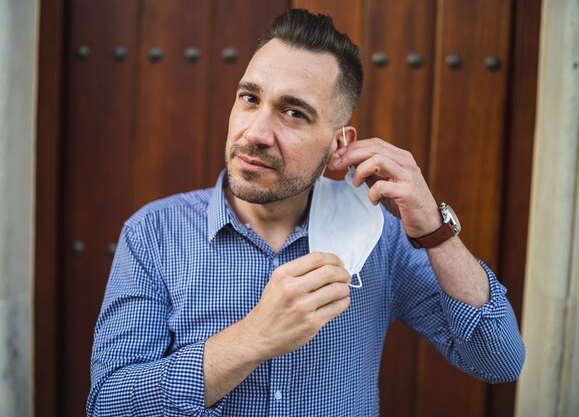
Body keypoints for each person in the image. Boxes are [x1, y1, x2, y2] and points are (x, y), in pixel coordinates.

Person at [87, 9, 524, 417]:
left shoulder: (378, 239)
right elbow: (108, 403)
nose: (255, 132)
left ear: (339, 145)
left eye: (293, 113)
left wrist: (434, 229)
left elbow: (500, 359)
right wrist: (253, 338)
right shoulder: (154, 232)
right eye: (249, 98)